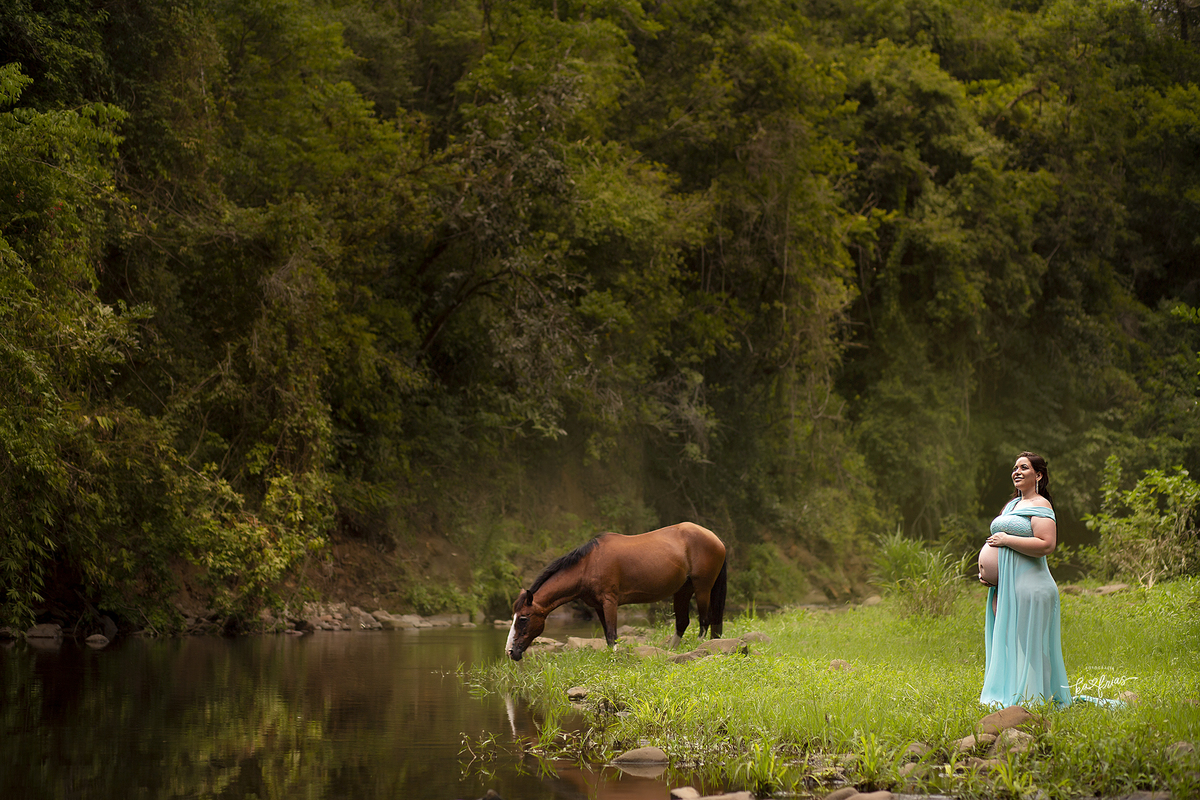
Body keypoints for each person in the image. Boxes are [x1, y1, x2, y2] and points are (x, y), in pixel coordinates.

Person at [978, 451, 1072, 708]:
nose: (1016, 472)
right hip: (1005, 586)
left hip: (1031, 586)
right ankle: (1014, 694)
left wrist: (1006, 540)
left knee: (1030, 644)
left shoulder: (1041, 505)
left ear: (1038, 475)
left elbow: (1046, 544)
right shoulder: (1010, 506)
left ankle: (1041, 696)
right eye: (1014, 468)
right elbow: (995, 545)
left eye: (1024, 467)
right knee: (1010, 641)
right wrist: (987, 573)